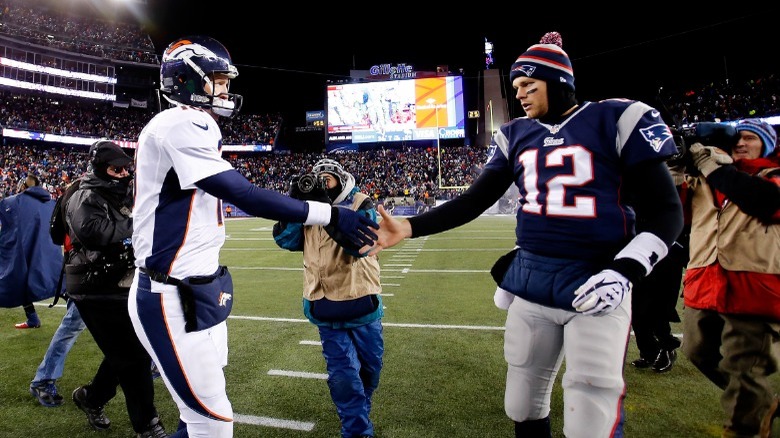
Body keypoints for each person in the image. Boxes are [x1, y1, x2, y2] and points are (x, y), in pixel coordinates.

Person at [372, 31, 684, 437]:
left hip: (596, 278)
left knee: (591, 410)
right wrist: (411, 226)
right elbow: (474, 200)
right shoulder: (516, 134)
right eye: (516, 86)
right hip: (531, 280)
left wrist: (625, 270)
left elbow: (667, 211)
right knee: (522, 403)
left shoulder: (616, 119)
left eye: (528, 85)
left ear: (558, 82)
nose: (519, 93)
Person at [127, 35, 377, 438]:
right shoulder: (180, 121)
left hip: (197, 290)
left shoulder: (190, 126)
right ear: (189, 79)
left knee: (197, 413)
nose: (226, 88)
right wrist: (328, 213)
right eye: (218, 79)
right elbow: (244, 194)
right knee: (214, 423)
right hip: (169, 293)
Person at [679, 118, 780, 438]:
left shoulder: (771, 175)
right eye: (736, 137)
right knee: (696, 350)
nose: (740, 142)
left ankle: (748, 423)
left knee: (744, 368)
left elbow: (764, 201)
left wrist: (711, 164)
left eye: (749, 137)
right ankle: (761, 400)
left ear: (767, 144)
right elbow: (671, 211)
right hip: (705, 281)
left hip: (755, 287)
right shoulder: (707, 175)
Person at [273, 158, 384, 438]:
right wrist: (293, 205)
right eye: (317, 179)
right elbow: (285, 240)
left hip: (363, 301)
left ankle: (359, 408)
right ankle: (356, 429)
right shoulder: (308, 210)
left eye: (327, 179)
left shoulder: (361, 203)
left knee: (371, 369)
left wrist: (329, 212)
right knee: (344, 375)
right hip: (325, 305)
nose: (322, 184)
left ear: (340, 179)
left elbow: (361, 245)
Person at [65, 140, 167, 437]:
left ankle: (92, 397)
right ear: (100, 168)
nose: (123, 174)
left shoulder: (114, 191)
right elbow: (94, 233)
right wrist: (138, 223)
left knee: (128, 351)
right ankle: (148, 425)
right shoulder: (85, 195)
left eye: (126, 169)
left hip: (116, 282)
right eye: (116, 169)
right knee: (133, 356)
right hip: (93, 287)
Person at [29, 178, 88, 407]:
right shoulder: (82, 198)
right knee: (71, 327)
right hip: (85, 276)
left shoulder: (74, 194)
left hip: (83, 273)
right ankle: (43, 379)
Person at [0, 175, 61, 328]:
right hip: (49, 249)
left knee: (19, 279)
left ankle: (33, 318)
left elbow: (8, 222)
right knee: (58, 282)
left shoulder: (16, 201)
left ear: (25, 187)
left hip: (25, 248)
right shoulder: (51, 202)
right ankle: (33, 319)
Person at [629, 225, 690, 373]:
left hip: (668, 250)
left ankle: (666, 347)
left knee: (658, 306)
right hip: (640, 248)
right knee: (636, 307)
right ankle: (649, 351)